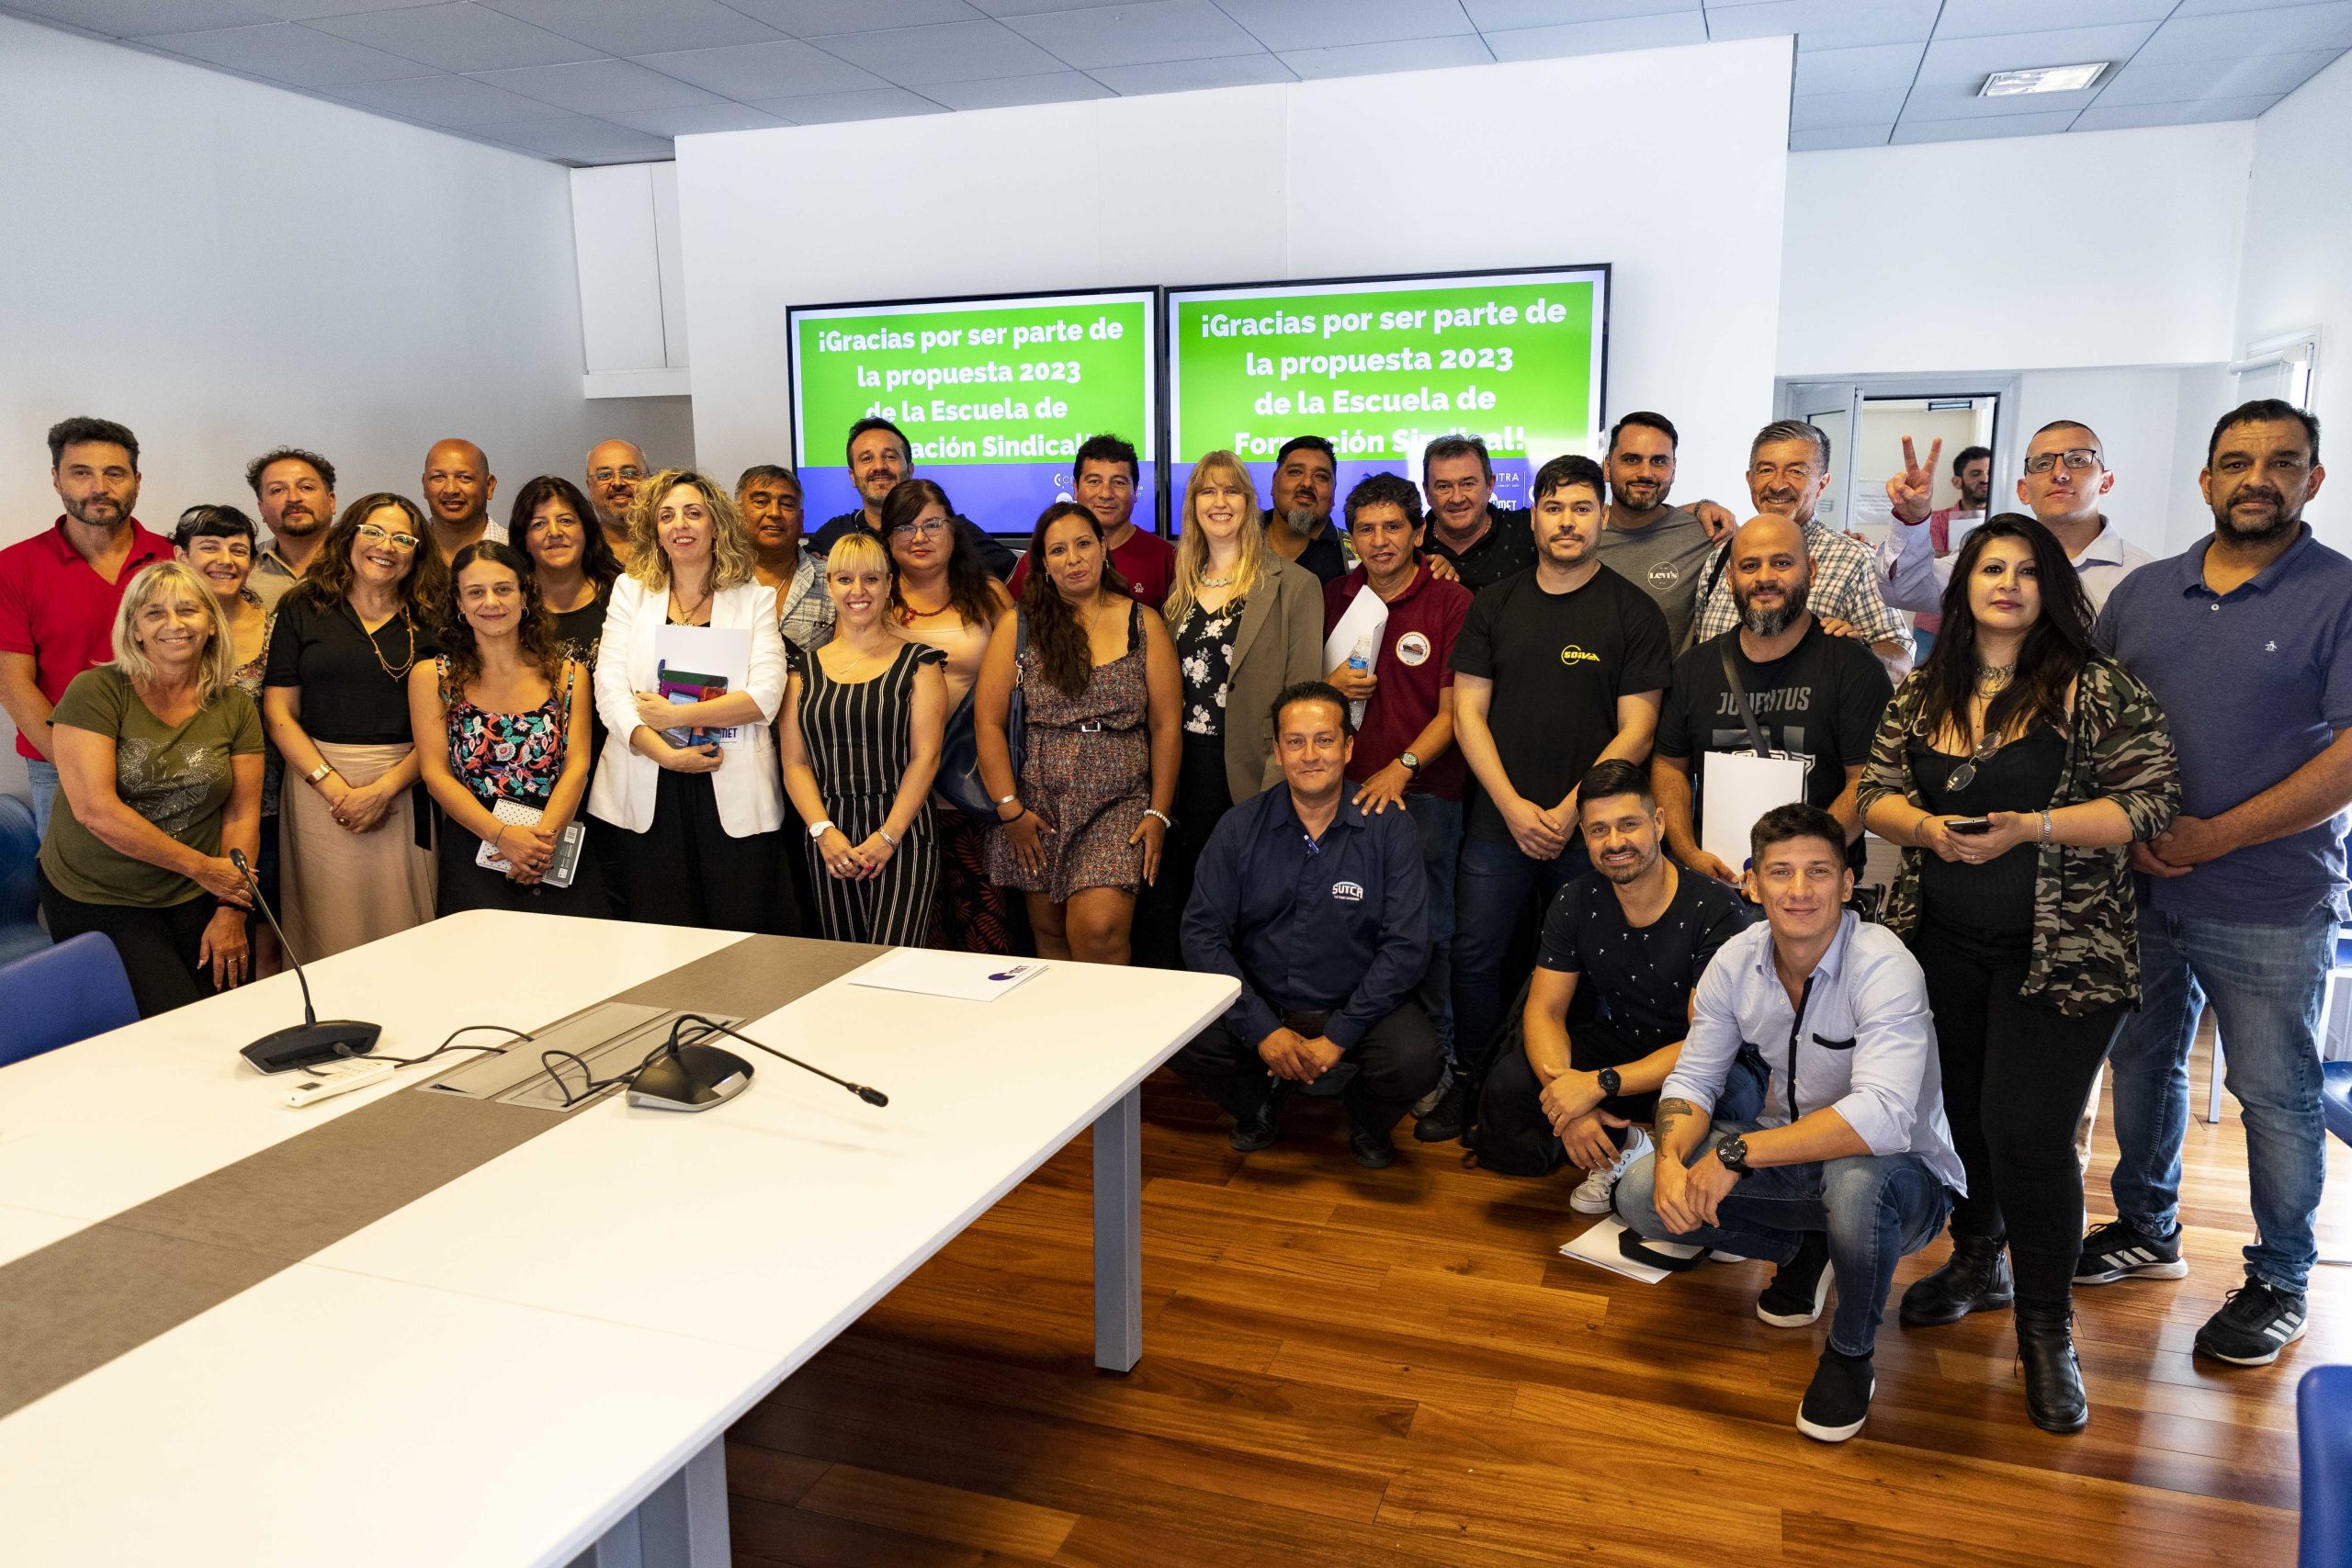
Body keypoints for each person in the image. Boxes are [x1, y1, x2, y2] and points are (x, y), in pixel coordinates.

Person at [1860, 515, 2179, 1432]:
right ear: (1962, 585)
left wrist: (2028, 827)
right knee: (1963, 1117)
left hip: (2066, 960)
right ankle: (1977, 1260)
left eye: (2026, 570)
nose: (2006, 582)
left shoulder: (2095, 687)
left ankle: (2048, 1330)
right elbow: (1877, 790)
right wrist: (1922, 829)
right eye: (1989, 566)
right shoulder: (1924, 690)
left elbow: (2153, 799)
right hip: (1942, 949)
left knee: (2027, 1132)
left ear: (2052, 588)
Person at [2086, 399, 2346, 1368]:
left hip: (2271, 899)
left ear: (2311, 480)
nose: (2257, 478)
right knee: (2141, 1064)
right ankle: (2144, 1228)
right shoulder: (2144, 594)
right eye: (2236, 462)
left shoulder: (2339, 594)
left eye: (2282, 463)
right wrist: (2135, 833)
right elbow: (2094, 727)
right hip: (2143, 886)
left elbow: (2348, 758)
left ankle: (2279, 1276)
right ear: (2205, 481)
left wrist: (2210, 837)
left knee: (2275, 1095)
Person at [1612, 803, 1964, 1444]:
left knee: (1856, 1187)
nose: (1799, 891)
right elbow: (1693, 1079)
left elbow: (1884, 1118)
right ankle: (1810, 1246)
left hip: (1903, 1177)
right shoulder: (1734, 960)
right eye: (1780, 872)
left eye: (1818, 872)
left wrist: (1735, 1153)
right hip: (1790, 1157)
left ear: (1848, 884)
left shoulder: (1886, 964)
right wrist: (1669, 1157)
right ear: (1752, 884)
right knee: (1639, 1194)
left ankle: (1852, 1351)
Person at [1449, 454, 1671, 1137]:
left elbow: (1638, 727)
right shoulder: (1496, 603)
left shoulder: (1634, 611)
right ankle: (1476, 1086)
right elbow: (1467, 714)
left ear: (1602, 516)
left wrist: (1572, 809)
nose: (1567, 521)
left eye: (1581, 507)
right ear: (1535, 517)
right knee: (1476, 955)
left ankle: (1578, 1098)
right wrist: (1516, 807)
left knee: (1596, 966)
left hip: (1596, 832)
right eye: (1554, 507)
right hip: (1499, 821)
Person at [1174, 681, 1442, 1168]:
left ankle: (1365, 1119)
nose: (1310, 755)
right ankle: (1258, 1103)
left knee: (1417, 1058)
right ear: (1277, 751)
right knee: (1178, 1032)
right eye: (1295, 742)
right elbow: (1201, 934)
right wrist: (1259, 1029)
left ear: (1348, 746)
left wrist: (1340, 1035)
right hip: (1262, 1001)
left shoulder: (1389, 826)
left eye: (1323, 739)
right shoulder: (1239, 826)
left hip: (1357, 1004)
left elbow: (1407, 945)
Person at [1475, 761, 1758, 1206]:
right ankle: (1624, 1151)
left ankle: (1691, 1187)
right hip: (1628, 1041)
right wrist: (1569, 1098)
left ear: (1659, 823)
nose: (1615, 843)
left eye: (1629, 825)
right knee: (1512, 1080)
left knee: (1731, 1108)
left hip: (1707, 1061)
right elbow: (1545, 1010)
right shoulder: (1575, 899)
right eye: (1598, 830)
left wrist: (1598, 1086)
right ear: (1584, 836)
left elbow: (1706, 1045)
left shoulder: (1715, 908)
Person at [1320, 473, 1476, 1139]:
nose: (1380, 541)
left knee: (1431, 932)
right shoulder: (1331, 596)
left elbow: (1456, 712)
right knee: (1349, 923)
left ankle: (1433, 1060)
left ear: (1418, 532)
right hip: (1340, 795)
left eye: (1393, 527)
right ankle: (1358, 1050)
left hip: (1426, 796)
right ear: (1350, 538)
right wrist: (1325, 685)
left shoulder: (1451, 600)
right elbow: (1301, 696)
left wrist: (1401, 766)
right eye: (1366, 529)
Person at [35, 561, 263, 1017]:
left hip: (197, 889)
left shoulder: (234, 706)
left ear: (211, 626)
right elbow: (95, 811)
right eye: (155, 613)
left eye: (187, 610)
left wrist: (230, 907)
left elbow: (241, 815)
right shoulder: (96, 691)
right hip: (100, 890)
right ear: (134, 629)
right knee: (171, 1016)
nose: (174, 624)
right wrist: (205, 869)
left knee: (228, 1011)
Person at [1133, 449, 1325, 968]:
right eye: (1207, 492)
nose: (1220, 502)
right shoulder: (1176, 588)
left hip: (1248, 772)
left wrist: (1275, 788)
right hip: (1176, 770)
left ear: (1250, 502)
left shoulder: (1294, 586)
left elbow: (1302, 700)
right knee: (1172, 907)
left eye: (1232, 490)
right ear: (1193, 505)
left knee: (1242, 912)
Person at [588, 468, 789, 933]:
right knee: (658, 933)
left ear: (715, 523)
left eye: (693, 513)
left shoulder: (753, 599)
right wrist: (661, 750)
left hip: (731, 783)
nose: (680, 525)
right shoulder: (630, 593)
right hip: (646, 782)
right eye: (667, 515)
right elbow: (610, 689)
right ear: (655, 529)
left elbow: (764, 697)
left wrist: (675, 715)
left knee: (739, 935)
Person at [978, 502, 1179, 964]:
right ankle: (1066, 1035)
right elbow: (988, 723)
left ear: (1104, 547)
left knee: (1097, 932)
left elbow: (1166, 726)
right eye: (1059, 550)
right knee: (1050, 938)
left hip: (1117, 803)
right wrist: (1011, 811)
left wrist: (1159, 812)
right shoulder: (1019, 624)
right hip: (1036, 806)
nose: (1074, 558)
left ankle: (1116, 1035)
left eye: (1084, 544)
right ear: (1043, 563)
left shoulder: (1143, 622)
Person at [1653, 513, 1893, 886]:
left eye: (1782, 563)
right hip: (1717, 882)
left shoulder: (1854, 668)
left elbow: (1866, 782)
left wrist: (1802, 866)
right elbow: (1669, 767)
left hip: (1816, 888)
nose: (1765, 578)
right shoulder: (1693, 669)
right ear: (1731, 578)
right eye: (1750, 566)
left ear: (1811, 571)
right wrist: (1688, 853)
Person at [259, 493, 443, 960]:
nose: (387, 546)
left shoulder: (435, 616)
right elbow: (279, 712)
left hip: (408, 781)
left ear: (417, 552)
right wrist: (334, 788)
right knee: (326, 925)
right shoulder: (304, 606)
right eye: (374, 532)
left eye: (403, 537)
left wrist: (383, 790)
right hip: (317, 785)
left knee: (406, 926)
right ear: (349, 536)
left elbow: (450, 722)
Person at [411, 542, 606, 918]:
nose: (491, 602)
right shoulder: (434, 677)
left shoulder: (568, 676)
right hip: (475, 844)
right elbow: (435, 773)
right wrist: (502, 837)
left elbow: (577, 767)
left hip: (555, 841)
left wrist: (538, 847)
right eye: (476, 592)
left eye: (503, 589)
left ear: (524, 594)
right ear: (460, 603)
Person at [0, 417, 173, 839]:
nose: (99, 486)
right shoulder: (14, 566)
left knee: (170, 889)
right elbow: (12, 683)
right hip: (59, 768)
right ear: (56, 479)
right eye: (81, 472)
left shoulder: (174, 559)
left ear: (137, 480)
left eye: (114, 473)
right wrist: (83, 768)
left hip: (167, 761)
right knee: (73, 897)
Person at [780, 531, 948, 945]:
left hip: (903, 830)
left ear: (889, 585)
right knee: (842, 967)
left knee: (895, 964)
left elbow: (925, 758)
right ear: (830, 585)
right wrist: (823, 831)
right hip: (828, 835)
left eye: (871, 579)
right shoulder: (801, 671)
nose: (858, 591)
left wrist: (888, 836)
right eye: (845, 579)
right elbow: (794, 764)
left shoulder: (920, 663)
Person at [886, 477, 1019, 953]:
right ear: (889, 540)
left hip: (975, 792)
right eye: (905, 527)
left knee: (987, 934)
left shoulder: (988, 595)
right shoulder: (875, 597)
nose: (919, 538)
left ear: (953, 529)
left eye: (932, 524)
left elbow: (1022, 686)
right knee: (919, 937)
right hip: (898, 796)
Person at [1690, 422, 1911, 680]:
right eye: (1765, 470)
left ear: (1822, 483)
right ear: (1749, 479)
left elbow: (1902, 663)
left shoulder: (1855, 560)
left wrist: (1855, 648)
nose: (1777, 485)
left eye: (1796, 471)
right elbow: (1698, 648)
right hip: (1716, 717)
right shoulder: (1721, 558)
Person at [1881, 425, 2151, 623]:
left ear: (2106, 482)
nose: (2060, 474)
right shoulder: (1986, 562)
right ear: (2023, 491)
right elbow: (1906, 591)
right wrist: (1913, 519)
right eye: (2043, 463)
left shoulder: (2145, 577)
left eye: (2078, 460)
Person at [513, 474, 628, 916]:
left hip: (616, 779)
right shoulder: (506, 604)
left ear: (586, 528)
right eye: (539, 524)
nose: (555, 533)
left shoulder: (625, 595)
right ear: (523, 537)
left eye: (566, 520)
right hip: (533, 787)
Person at [174, 504, 283, 960]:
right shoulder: (164, 625)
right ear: (181, 556)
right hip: (188, 801)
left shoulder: (278, 622)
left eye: (239, 549)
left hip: (268, 800)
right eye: (210, 547)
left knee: (264, 921)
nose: (226, 559)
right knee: (192, 930)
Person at [1594, 411, 1737, 650]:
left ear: (1674, 469)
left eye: (1659, 461)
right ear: (1607, 467)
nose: (1646, 473)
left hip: (1671, 687)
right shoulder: (1577, 536)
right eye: (1631, 459)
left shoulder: (1706, 537)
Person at [808, 417, 1016, 578]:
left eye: (890, 456)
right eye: (867, 458)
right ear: (852, 476)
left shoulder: (947, 528)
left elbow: (1015, 577)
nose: (879, 466)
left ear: (910, 469)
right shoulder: (832, 535)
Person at [1007, 434, 1177, 609]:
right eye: (1094, 481)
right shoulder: (1043, 558)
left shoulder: (1167, 559)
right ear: (1075, 488)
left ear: (1135, 490)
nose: (1106, 494)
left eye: (1118, 483)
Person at [1873, 441, 1989, 659]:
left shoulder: (2006, 525)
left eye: (1988, 472)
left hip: (1983, 629)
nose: (1984, 478)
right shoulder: (1932, 519)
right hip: (1933, 627)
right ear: (1957, 481)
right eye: (1975, 473)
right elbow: (1920, 563)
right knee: (1925, 685)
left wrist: (1941, 555)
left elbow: (1931, 557)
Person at [1420, 434, 1533, 592]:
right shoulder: (1410, 546)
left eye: (1467, 484)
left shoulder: (1529, 531)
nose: (1457, 498)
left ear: (1489, 485)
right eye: (1444, 486)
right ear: (1427, 491)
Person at [740, 464, 833, 653]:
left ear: (801, 520)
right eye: (761, 501)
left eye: (787, 504)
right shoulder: (717, 581)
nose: (774, 512)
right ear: (737, 514)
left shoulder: (833, 581)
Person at [244, 446, 337, 611]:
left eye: (306, 487)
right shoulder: (243, 567)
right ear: (262, 509)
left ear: (331, 502)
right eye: (277, 490)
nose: (293, 498)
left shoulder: (360, 563)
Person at [1261, 436, 1349, 584]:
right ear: (1274, 481)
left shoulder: (1355, 558)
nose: (1307, 483)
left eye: (1321, 476)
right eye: (1295, 472)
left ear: (1334, 491)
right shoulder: (1237, 540)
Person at [420, 438, 504, 564]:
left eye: (464, 477)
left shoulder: (519, 553)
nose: (450, 489)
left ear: (489, 486)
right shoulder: (404, 552)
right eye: (438, 477)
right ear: (424, 485)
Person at [585, 438, 650, 554]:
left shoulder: (670, 543)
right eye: (604, 475)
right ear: (589, 486)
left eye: (629, 473)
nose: (617, 483)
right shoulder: (581, 553)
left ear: (649, 480)